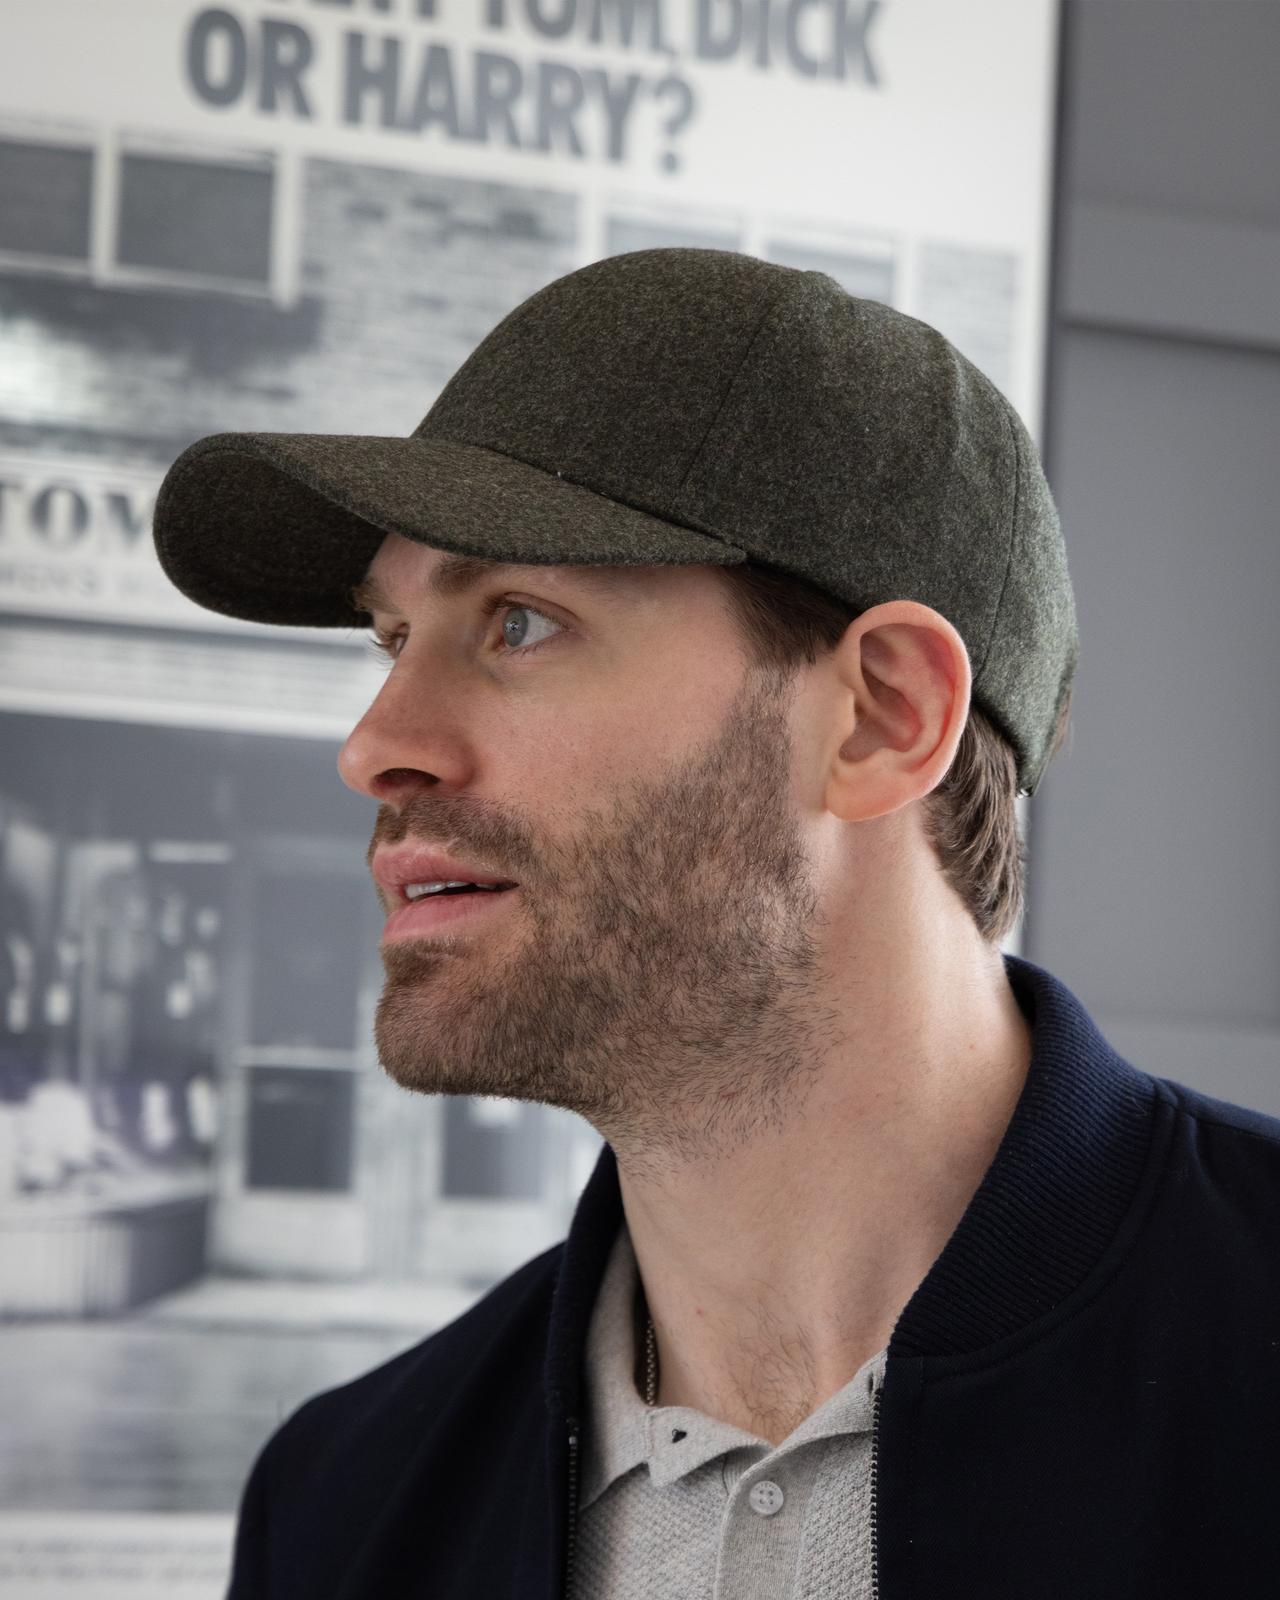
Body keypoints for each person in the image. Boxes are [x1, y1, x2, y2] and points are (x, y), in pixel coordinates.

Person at [152, 248, 1280, 1599]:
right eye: (392, 640)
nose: (375, 747)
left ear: (882, 716)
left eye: (517, 622)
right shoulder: (345, 1510)